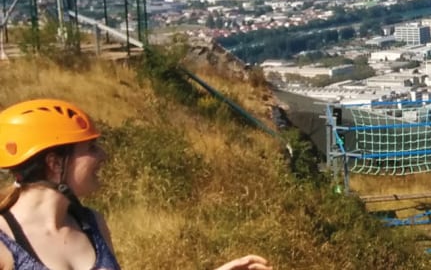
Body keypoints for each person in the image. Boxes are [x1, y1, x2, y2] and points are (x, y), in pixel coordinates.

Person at [0, 98, 272, 270]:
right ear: (54, 162)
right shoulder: (4, 243)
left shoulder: (92, 223)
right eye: (91, 148)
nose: (103, 155)